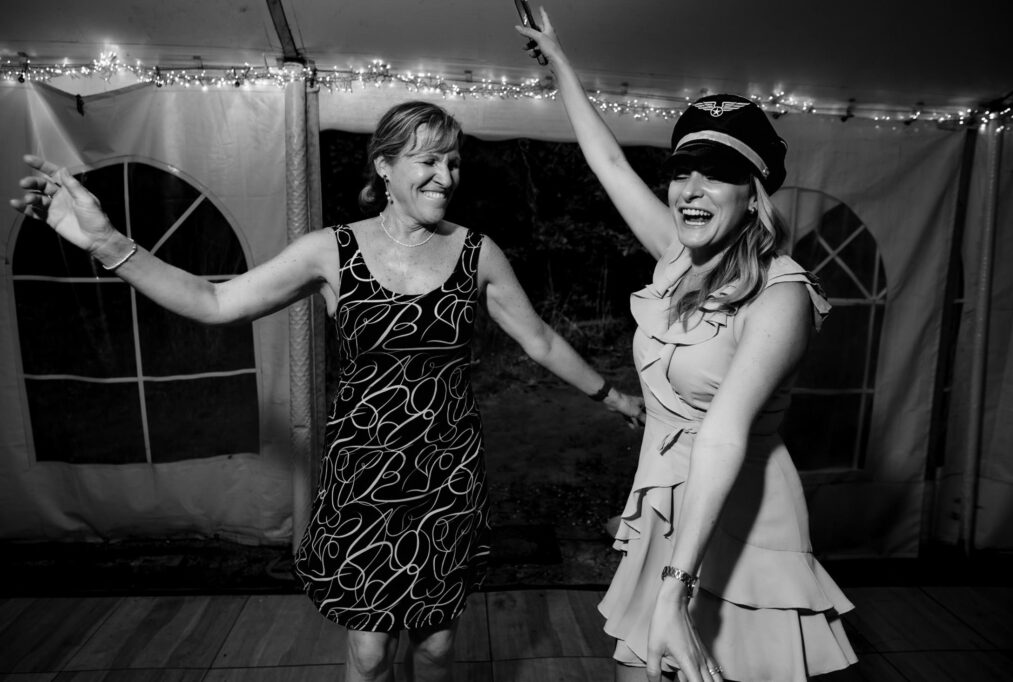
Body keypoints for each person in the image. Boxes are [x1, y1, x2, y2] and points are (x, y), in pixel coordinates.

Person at [9, 99, 645, 682]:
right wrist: (106, 242)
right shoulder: (331, 253)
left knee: (437, 647)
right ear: (386, 167)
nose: (445, 177)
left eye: (454, 162)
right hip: (364, 478)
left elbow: (539, 340)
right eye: (427, 161)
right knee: (370, 653)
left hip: (447, 475)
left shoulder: (477, 253)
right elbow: (214, 301)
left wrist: (610, 397)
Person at [515, 10, 858, 682]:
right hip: (667, 507)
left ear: (754, 193)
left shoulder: (782, 294)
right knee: (637, 672)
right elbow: (608, 161)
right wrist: (560, 63)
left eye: (718, 173)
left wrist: (677, 588)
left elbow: (725, 432)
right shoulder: (676, 258)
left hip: (741, 517)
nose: (690, 189)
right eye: (682, 170)